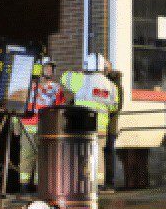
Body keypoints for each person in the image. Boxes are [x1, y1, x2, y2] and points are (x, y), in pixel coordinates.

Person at [58, 58, 123, 190]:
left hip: (83, 125)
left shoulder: (81, 79)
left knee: (82, 153)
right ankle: (99, 183)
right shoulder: (111, 85)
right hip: (101, 127)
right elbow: (114, 107)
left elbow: (63, 77)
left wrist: (80, 72)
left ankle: (82, 182)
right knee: (98, 153)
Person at [15, 57, 59, 189]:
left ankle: (39, 185)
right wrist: (15, 126)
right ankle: (24, 185)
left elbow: (59, 108)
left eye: (51, 67)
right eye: (47, 67)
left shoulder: (56, 88)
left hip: (46, 126)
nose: (49, 70)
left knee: (43, 157)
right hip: (27, 126)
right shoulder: (27, 86)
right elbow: (16, 106)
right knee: (26, 156)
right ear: (39, 68)